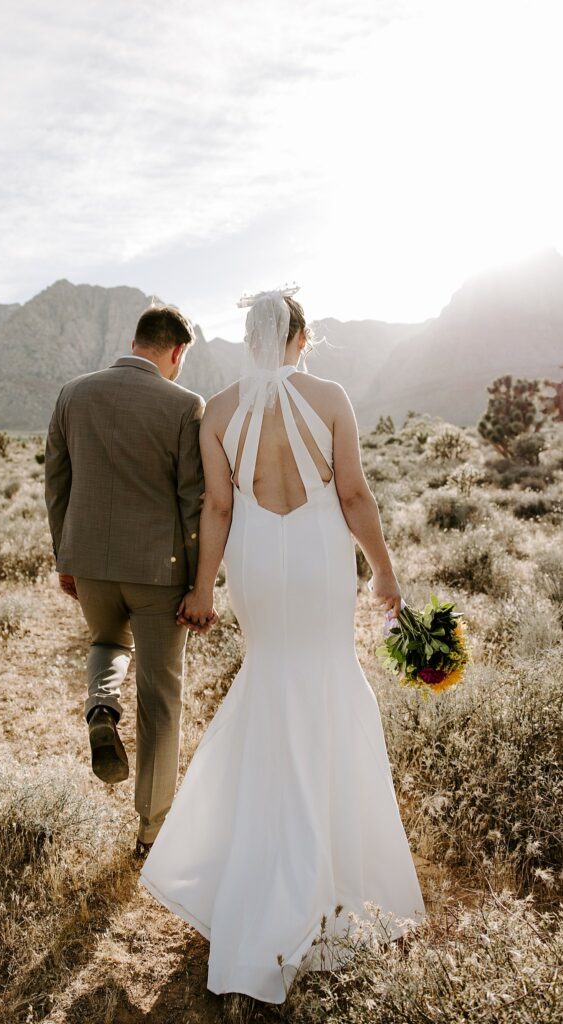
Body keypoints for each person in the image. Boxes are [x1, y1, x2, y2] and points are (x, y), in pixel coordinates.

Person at [139, 286, 426, 1003]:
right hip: (320, 554)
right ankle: (329, 877)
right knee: (327, 680)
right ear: (300, 339)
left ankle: (260, 872)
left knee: (270, 684)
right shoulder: (329, 396)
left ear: (251, 339)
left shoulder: (220, 409)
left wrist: (203, 590)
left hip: (256, 561)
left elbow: (217, 505)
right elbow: (354, 496)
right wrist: (384, 572)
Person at [44, 304, 212, 857]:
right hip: (158, 573)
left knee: (107, 640)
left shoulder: (73, 393)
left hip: (89, 561)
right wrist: (197, 581)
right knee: (162, 697)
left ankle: (101, 707)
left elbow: (57, 484)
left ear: (134, 339)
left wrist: (66, 557)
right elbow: (194, 500)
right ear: (176, 351)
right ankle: (151, 831)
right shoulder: (185, 405)